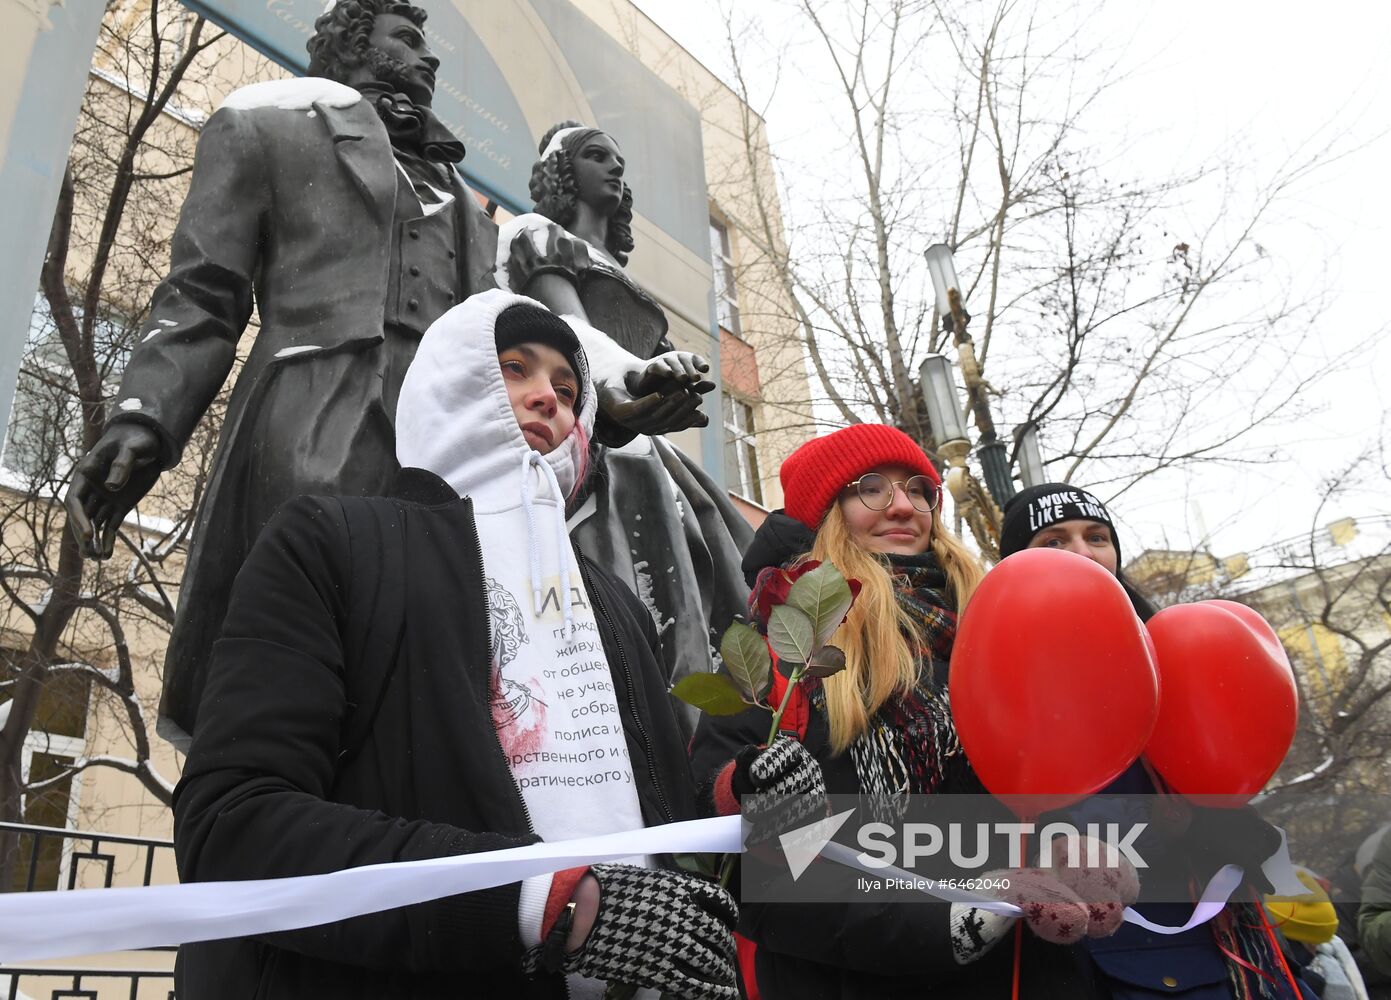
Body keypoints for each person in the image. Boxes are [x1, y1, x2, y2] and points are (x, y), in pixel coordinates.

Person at [172, 289, 738, 1000]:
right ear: (451, 372)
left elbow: (666, 834)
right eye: (513, 368)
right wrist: (541, 901)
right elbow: (232, 829)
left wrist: (738, 803)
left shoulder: (614, 603)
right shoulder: (331, 542)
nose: (547, 400)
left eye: (567, 389)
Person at [64, 0, 500, 749]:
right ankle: (270, 804)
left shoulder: (468, 201)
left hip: (445, 449)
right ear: (353, 45)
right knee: (299, 655)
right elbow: (203, 292)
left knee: (428, 677)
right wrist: (145, 416)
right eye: (408, 39)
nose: (428, 60)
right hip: (317, 413)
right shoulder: (266, 122)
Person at [689, 426, 1135, 999]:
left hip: (1034, 973)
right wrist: (940, 923)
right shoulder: (783, 649)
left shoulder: (994, 627)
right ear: (828, 513)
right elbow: (735, 858)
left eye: (919, 488)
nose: (903, 505)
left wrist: (1064, 848)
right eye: (869, 488)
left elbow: (1030, 787)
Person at [997, 482, 1317, 1000]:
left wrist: (1235, 834)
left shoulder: (1175, 652)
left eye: (1096, 536)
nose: (1082, 552)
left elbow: (1219, 772)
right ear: (1015, 562)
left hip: (1224, 944)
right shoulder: (1001, 668)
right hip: (1089, 953)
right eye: (1053, 541)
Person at [496, 120, 754, 714]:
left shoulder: (619, 270)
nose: (614, 168)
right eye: (595, 156)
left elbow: (650, 359)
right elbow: (571, 334)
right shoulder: (537, 236)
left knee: (714, 583)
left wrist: (671, 375)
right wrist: (633, 378)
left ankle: (702, 729)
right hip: (588, 440)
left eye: (618, 160)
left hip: (646, 449)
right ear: (562, 172)